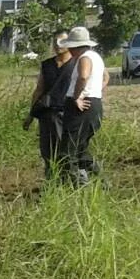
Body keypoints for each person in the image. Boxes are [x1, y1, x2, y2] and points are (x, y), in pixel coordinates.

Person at [57, 26, 108, 185]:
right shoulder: (96, 57)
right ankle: (102, 182)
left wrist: (77, 97)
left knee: (68, 151)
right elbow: (105, 77)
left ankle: (78, 187)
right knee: (80, 150)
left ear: (75, 46)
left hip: (81, 107)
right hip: (94, 104)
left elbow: (83, 77)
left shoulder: (84, 58)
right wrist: (95, 93)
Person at [23, 32, 74, 180]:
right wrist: (30, 115)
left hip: (67, 113)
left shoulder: (77, 63)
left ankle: (66, 181)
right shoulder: (47, 65)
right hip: (46, 113)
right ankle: (51, 180)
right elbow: (39, 89)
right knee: (47, 151)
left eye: (62, 41)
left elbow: (102, 77)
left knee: (64, 150)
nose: (58, 44)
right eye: (55, 41)